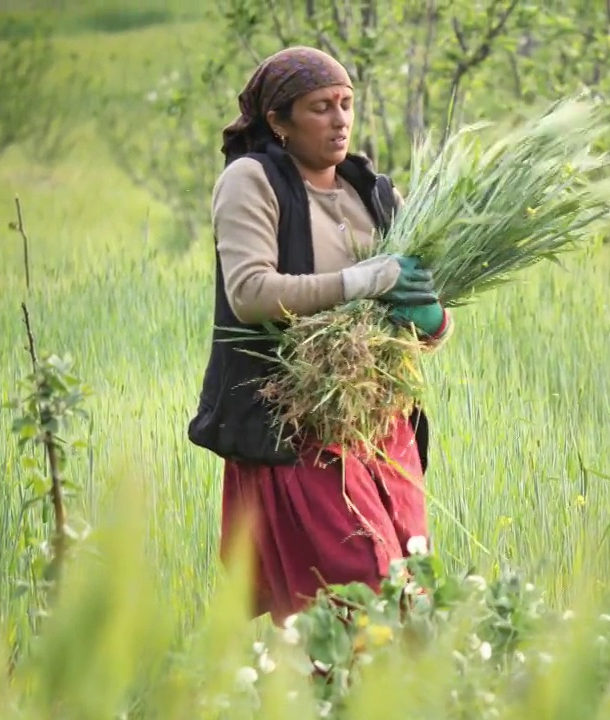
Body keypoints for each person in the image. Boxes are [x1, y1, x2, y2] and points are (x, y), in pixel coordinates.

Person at [186, 46, 452, 624]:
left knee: (410, 598)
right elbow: (251, 293)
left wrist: (433, 320)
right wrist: (358, 281)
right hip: (300, 427)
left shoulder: (375, 194)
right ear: (277, 122)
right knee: (352, 595)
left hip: (383, 429)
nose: (339, 120)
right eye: (320, 107)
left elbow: (419, 311)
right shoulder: (251, 182)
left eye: (346, 104)